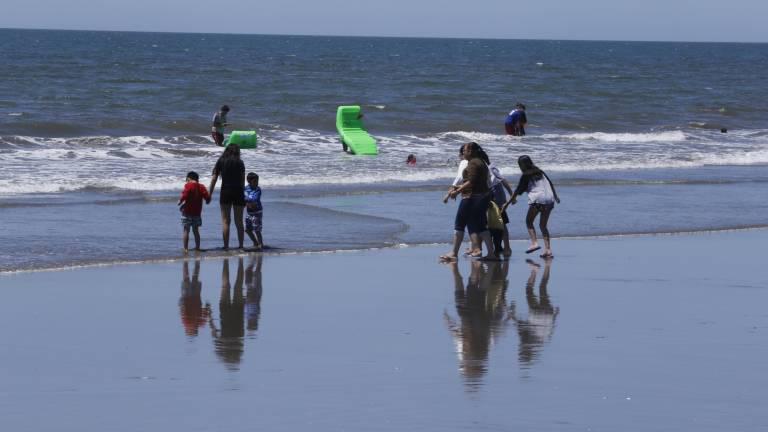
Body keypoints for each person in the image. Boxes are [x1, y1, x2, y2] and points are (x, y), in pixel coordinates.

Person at [440, 142, 497, 262]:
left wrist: (457, 191)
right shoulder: (482, 162)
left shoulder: (473, 163)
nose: (463, 153)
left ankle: (454, 253)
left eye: (464, 151)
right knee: (481, 225)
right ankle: (491, 253)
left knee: (459, 223)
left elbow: (470, 181)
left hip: (471, 197)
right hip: (483, 196)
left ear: (470, 151)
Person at [502, 155, 560, 259]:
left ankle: (534, 243)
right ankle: (548, 250)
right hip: (550, 200)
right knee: (543, 225)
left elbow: (517, 191)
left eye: (519, 165)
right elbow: (550, 183)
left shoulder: (526, 175)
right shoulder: (540, 172)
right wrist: (555, 196)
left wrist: (506, 204)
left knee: (529, 222)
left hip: (538, 200)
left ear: (522, 165)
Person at [478, 150, 515, 257]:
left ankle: (507, 247)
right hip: (489, 196)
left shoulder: (490, 167)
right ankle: (496, 247)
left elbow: (502, 180)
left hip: (497, 197)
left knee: (501, 221)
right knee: (491, 222)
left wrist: (511, 195)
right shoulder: (484, 169)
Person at [209, 144, 246, 249]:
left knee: (225, 221)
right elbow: (242, 181)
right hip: (238, 192)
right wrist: (243, 195)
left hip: (226, 191)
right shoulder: (240, 162)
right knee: (239, 221)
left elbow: (214, 178)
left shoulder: (221, 161)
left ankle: (226, 246)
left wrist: (209, 194)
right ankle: (241, 246)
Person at [178, 171, 211, 252]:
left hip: (187, 213)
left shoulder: (188, 185)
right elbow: (207, 196)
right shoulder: (201, 187)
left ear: (189, 178)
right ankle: (197, 247)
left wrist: (180, 201)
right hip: (197, 213)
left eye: (187, 179)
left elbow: (185, 195)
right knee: (196, 231)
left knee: (186, 230)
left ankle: (186, 248)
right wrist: (207, 200)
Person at [244, 172, 263, 249]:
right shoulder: (245, 188)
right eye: (255, 181)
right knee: (247, 230)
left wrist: (246, 199)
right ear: (249, 181)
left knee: (257, 229)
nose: (256, 183)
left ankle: (261, 245)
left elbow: (255, 199)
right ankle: (255, 242)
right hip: (249, 212)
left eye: (257, 181)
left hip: (257, 212)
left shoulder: (258, 189)